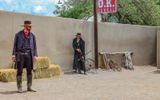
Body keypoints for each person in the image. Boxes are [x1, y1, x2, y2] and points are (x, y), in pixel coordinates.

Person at [12, 20, 37, 93]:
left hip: (29, 55)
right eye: (29, 26)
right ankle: (19, 87)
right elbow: (14, 46)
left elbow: (35, 46)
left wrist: (35, 55)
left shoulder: (32, 35)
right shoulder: (18, 34)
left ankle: (29, 87)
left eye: (31, 26)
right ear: (25, 26)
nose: (30, 27)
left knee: (29, 71)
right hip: (20, 55)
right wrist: (13, 54)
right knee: (19, 71)